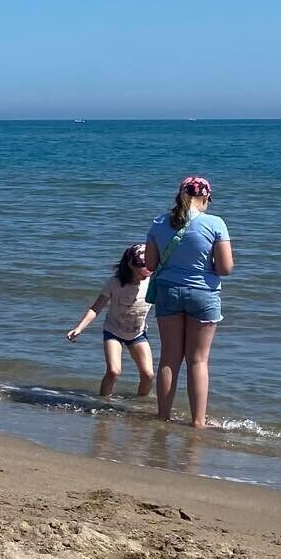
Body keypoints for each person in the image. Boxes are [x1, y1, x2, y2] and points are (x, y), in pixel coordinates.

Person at [143, 174, 233, 427]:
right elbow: (225, 268)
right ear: (204, 197)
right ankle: (198, 422)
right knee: (198, 360)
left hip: (168, 291)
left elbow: (150, 264)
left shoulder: (159, 222)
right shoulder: (215, 224)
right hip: (203, 293)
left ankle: (163, 416)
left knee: (169, 358)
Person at [66, 244, 155, 399]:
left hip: (137, 333)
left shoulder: (152, 281)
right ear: (131, 265)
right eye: (142, 270)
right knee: (114, 371)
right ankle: (103, 402)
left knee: (148, 374)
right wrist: (79, 328)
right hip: (113, 331)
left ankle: (140, 405)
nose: (145, 274)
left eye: (148, 268)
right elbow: (96, 308)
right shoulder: (115, 282)